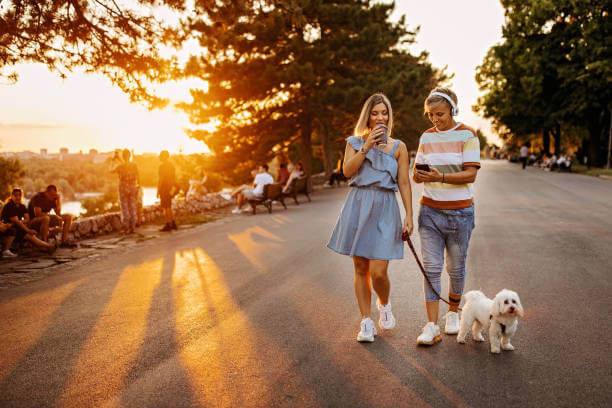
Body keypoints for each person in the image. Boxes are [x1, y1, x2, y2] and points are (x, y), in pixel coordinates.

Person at [327, 92, 413, 343]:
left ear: (389, 116)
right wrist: (365, 147)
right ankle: (366, 322)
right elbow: (346, 171)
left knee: (378, 272)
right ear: (367, 117)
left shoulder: (399, 147)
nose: (380, 117)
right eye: (374, 113)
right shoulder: (354, 142)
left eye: (384, 113)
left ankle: (384, 304)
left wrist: (408, 214)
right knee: (360, 267)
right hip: (358, 204)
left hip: (385, 207)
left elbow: (405, 183)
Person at [412, 87, 480, 346]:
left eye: (439, 113)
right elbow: (417, 172)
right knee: (431, 268)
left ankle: (453, 313)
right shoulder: (426, 137)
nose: (435, 119)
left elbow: (470, 174)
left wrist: (439, 176)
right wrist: (419, 176)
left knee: (456, 268)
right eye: (430, 115)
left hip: (460, 213)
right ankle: (431, 325)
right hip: (429, 211)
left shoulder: (468, 134)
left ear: (452, 109)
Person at [2, 188, 55, 256]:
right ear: (11, 196)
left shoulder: (22, 206)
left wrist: (20, 221)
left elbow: (27, 219)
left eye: (19, 195)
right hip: (7, 228)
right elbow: (16, 221)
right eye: (15, 195)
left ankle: (46, 247)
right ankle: (48, 246)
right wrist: (28, 230)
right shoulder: (9, 206)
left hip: (17, 227)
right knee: (28, 235)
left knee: (28, 235)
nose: (18, 197)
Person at [112, 149, 140, 234]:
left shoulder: (121, 166)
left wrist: (113, 160)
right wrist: (138, 186)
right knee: (132, 206)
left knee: (125, 207)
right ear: (129, 156)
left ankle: (126, 227)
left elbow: (111, 170)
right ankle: (132, 227)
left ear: (123, 156)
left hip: (123, 187)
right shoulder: (134, 165)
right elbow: (138, 176)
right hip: (133, 187)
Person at [157, 150, 177, 232]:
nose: (160, 157)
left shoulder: (162, 166)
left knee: (165, 207)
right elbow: (174, 177)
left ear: (163, 157)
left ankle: (168, 224)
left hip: (164, 188)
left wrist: (158, 190)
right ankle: (173, 223)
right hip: (171, 187)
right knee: (169, 206)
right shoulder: (171, 165)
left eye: (161, 156)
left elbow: (161, 179)